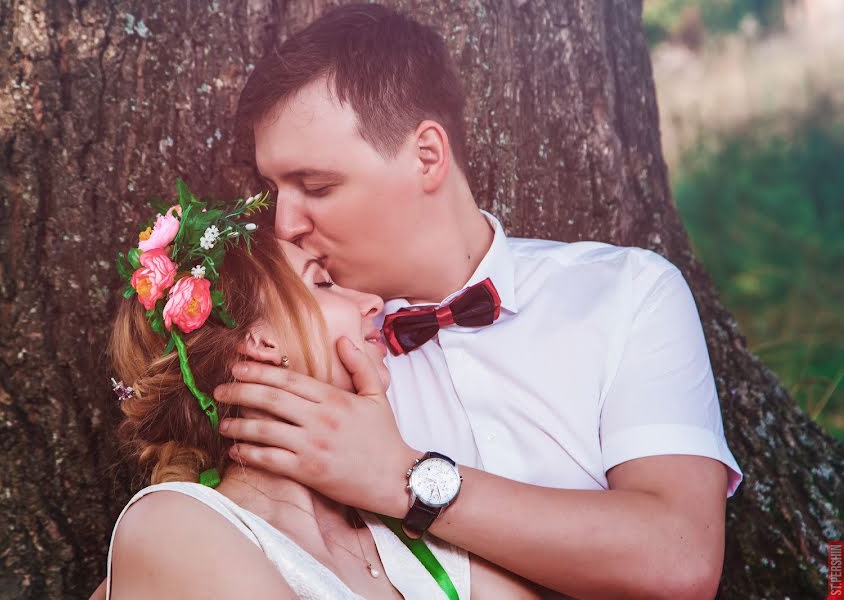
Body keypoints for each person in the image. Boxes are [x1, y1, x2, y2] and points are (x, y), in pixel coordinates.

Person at [215, 4, 745, 599]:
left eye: (316, 187)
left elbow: (681, 559)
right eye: (273, 191)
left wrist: (402, 478)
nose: (284, 224)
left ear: (427, 157)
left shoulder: (627, 292)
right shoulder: (319, 349)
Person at [101, 220, 541, 599]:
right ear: (260, 342)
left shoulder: (413, 542)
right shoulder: (176, 526)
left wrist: (403, 471)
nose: (372, 301)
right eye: (322, 283)